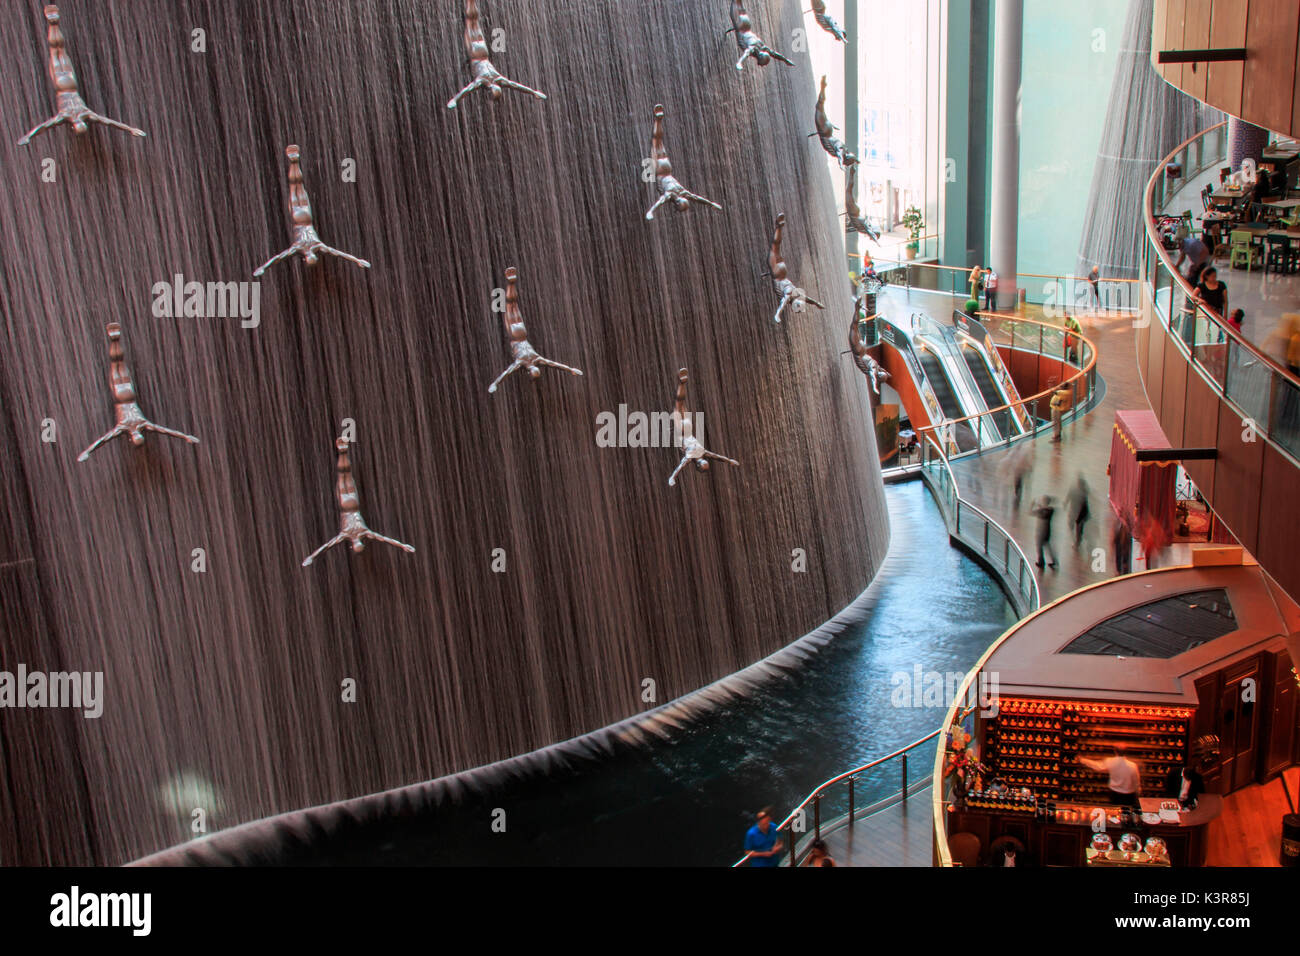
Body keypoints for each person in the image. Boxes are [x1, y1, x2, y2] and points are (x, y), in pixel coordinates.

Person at [1031, 495, 1058, 569]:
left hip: (1041, 531)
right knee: (1047, 547)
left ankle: (1041, 562)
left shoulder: (1045, 510)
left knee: (1040, 547)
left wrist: (1033, 505)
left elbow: (1030, 512)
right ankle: (1053, 561)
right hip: (1046, 531)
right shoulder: (1050, 509)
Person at [1066, 475, 1091, 548]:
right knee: (1078, 526)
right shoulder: (1083, 491)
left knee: (1077, 526)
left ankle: (1077, 541)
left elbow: (1070, 497)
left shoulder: (1080, 492)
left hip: (1079, 512)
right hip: (1080, 512)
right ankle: (1078, 539)